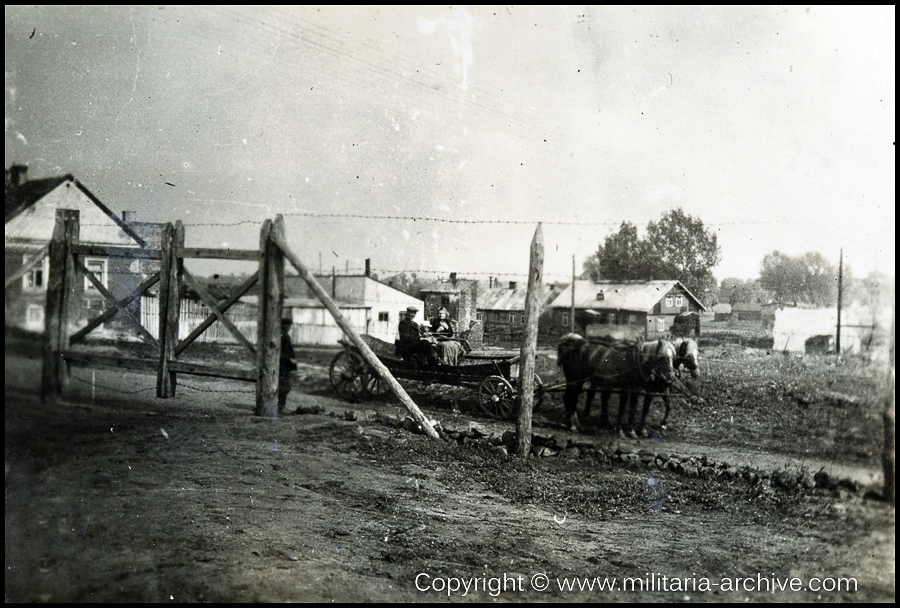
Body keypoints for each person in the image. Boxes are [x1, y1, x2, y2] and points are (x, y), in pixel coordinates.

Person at [278, 317, 298, 413]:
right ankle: (281, 407)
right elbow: (281, 351)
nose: (289, 327)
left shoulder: (284, 335)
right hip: (283, 364)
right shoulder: (282, 336)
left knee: (283, 386)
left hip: (284, 364)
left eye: (289, 325)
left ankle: (280, 406)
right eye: (288, 325)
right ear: (283, 325)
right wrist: (289, 359)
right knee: (284, 386)